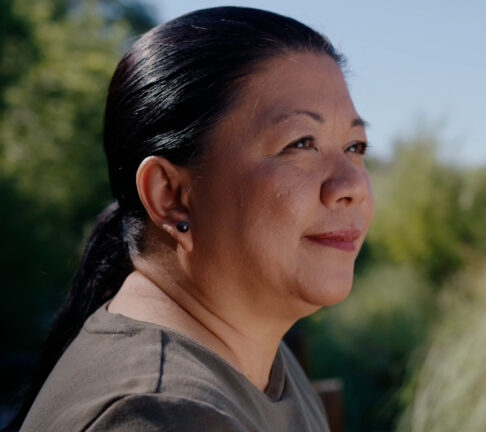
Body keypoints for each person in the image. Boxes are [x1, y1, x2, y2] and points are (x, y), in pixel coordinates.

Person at [6, 6, 374, 431]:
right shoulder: (161, 414)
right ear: (171, 197)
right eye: (301, 143)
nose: (353, 185)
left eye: (355, 147)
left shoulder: (252, 352)